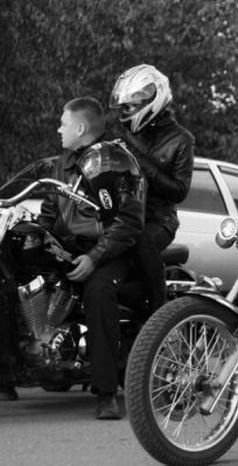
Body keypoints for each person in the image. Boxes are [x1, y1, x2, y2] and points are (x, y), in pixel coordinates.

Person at [37, 97, 145, 419]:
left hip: (112, 251)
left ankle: (106, 393)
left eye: (63, 123)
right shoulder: (63, 164)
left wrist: (94, 258)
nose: (59, 129)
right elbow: (49, 211)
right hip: (71, 247)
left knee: (98, 292)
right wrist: (37, 235)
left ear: (80, 127)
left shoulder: (113, 161)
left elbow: (128, 221)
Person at [110, 64, 194, 312]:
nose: (126, 111)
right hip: (125, 213)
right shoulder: (123, 134)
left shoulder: (181, 139)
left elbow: (179, 191)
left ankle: (160, 310)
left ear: (152, 100)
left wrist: (138, 160)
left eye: (131, 105)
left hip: (158, 219)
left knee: (142, 240)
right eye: (124, 106)